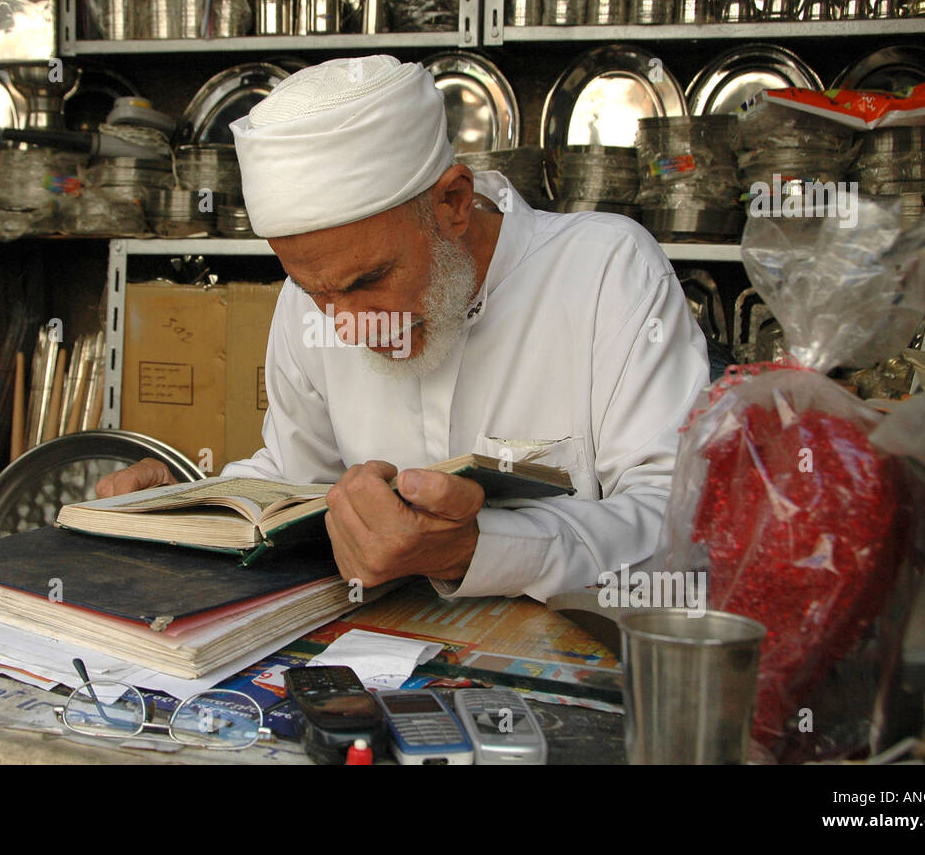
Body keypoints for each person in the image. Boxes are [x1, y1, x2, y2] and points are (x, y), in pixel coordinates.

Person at [95, 55, 709, 602]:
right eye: (318, 294)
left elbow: (683, 526)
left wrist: (482, 547)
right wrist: (188, 507)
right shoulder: (309, 303)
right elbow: (294, 486)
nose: (348, 326)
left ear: (453, 203)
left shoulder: (605, 270)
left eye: (368, 282)